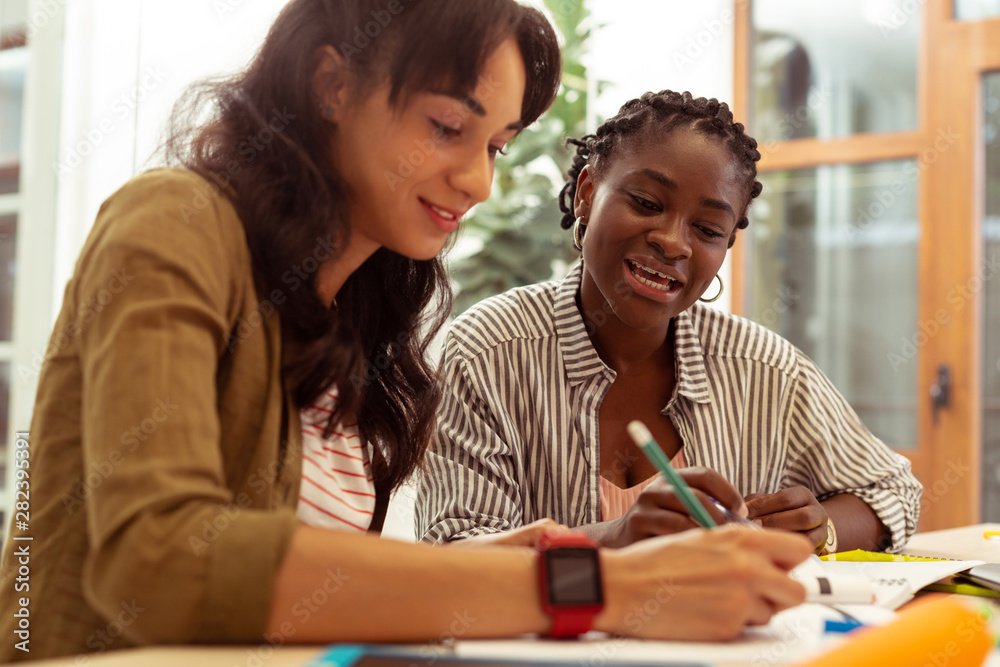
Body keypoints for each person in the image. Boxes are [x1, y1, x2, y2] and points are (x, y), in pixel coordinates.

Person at [0, 4, 812, 661]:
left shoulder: (357, 304)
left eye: (496, 144)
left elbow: (314, 575)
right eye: (448, 128)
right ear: (332, 82)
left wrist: (534, 559)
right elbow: (162, 557)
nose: (479, 181)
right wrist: (603, 586)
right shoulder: (174, 221)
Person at [415, 90, 923, 554]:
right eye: (646, 203)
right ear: (588, 192)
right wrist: (614, 538)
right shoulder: (487, 352)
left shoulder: (764, 368)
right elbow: (452, 557)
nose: (674, 242)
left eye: (707, 229)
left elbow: (894, 491)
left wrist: (821, 529)